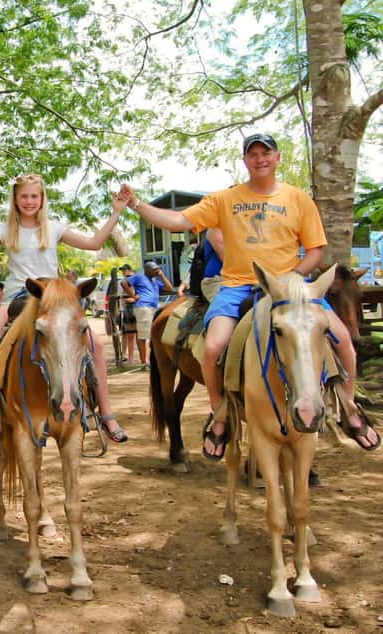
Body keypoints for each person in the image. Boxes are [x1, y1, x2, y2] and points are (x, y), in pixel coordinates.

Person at [119, 132, 379, 458]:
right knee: (212, 347)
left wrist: (293, 278)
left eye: (266, 153)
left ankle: (348, 408)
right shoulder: (224, 199)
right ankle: (220, 414)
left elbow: (315, 251)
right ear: (245, 160)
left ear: (277, 157)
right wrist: (137, 204)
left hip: (289, 286)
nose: (260, 159)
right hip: (237, 284)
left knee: (343, 341)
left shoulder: (299, 199)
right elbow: (178, 221)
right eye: (253, 154)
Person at [0, 172, 130, 458]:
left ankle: (105, 413)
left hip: (52, 298)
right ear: (15, 199)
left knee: (93, 344)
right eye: (24, 196)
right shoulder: (6, 230)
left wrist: (116, 212)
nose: (30, 201)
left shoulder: (55, 228)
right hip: (18, 298)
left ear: (42, 199)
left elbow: (95, 243)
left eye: (35, 196)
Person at [121, 261, 174, 367]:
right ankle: (144, 361)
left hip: (154, 308)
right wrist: (133, 295)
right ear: (147, 270)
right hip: (143, 307)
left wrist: (162, 275)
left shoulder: (154, 282)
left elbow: (169, 288)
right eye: (153, 269)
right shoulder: (139, 277)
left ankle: (148, 359)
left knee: (152, 333)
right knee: (144, 334)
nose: (156, 271)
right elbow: (124, 283)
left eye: (156, 269)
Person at [118, 263, 140, 365]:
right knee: (127, 335)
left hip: (134, 308)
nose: (124, 272)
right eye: (123, 271)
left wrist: (131, 298)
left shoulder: (135, 282)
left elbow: (136, 296)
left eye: (127, 272)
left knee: (138, 336)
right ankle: (126, 357)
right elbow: (122, 297)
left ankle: (140, 358)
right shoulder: (123, 282)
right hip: (126, 309)